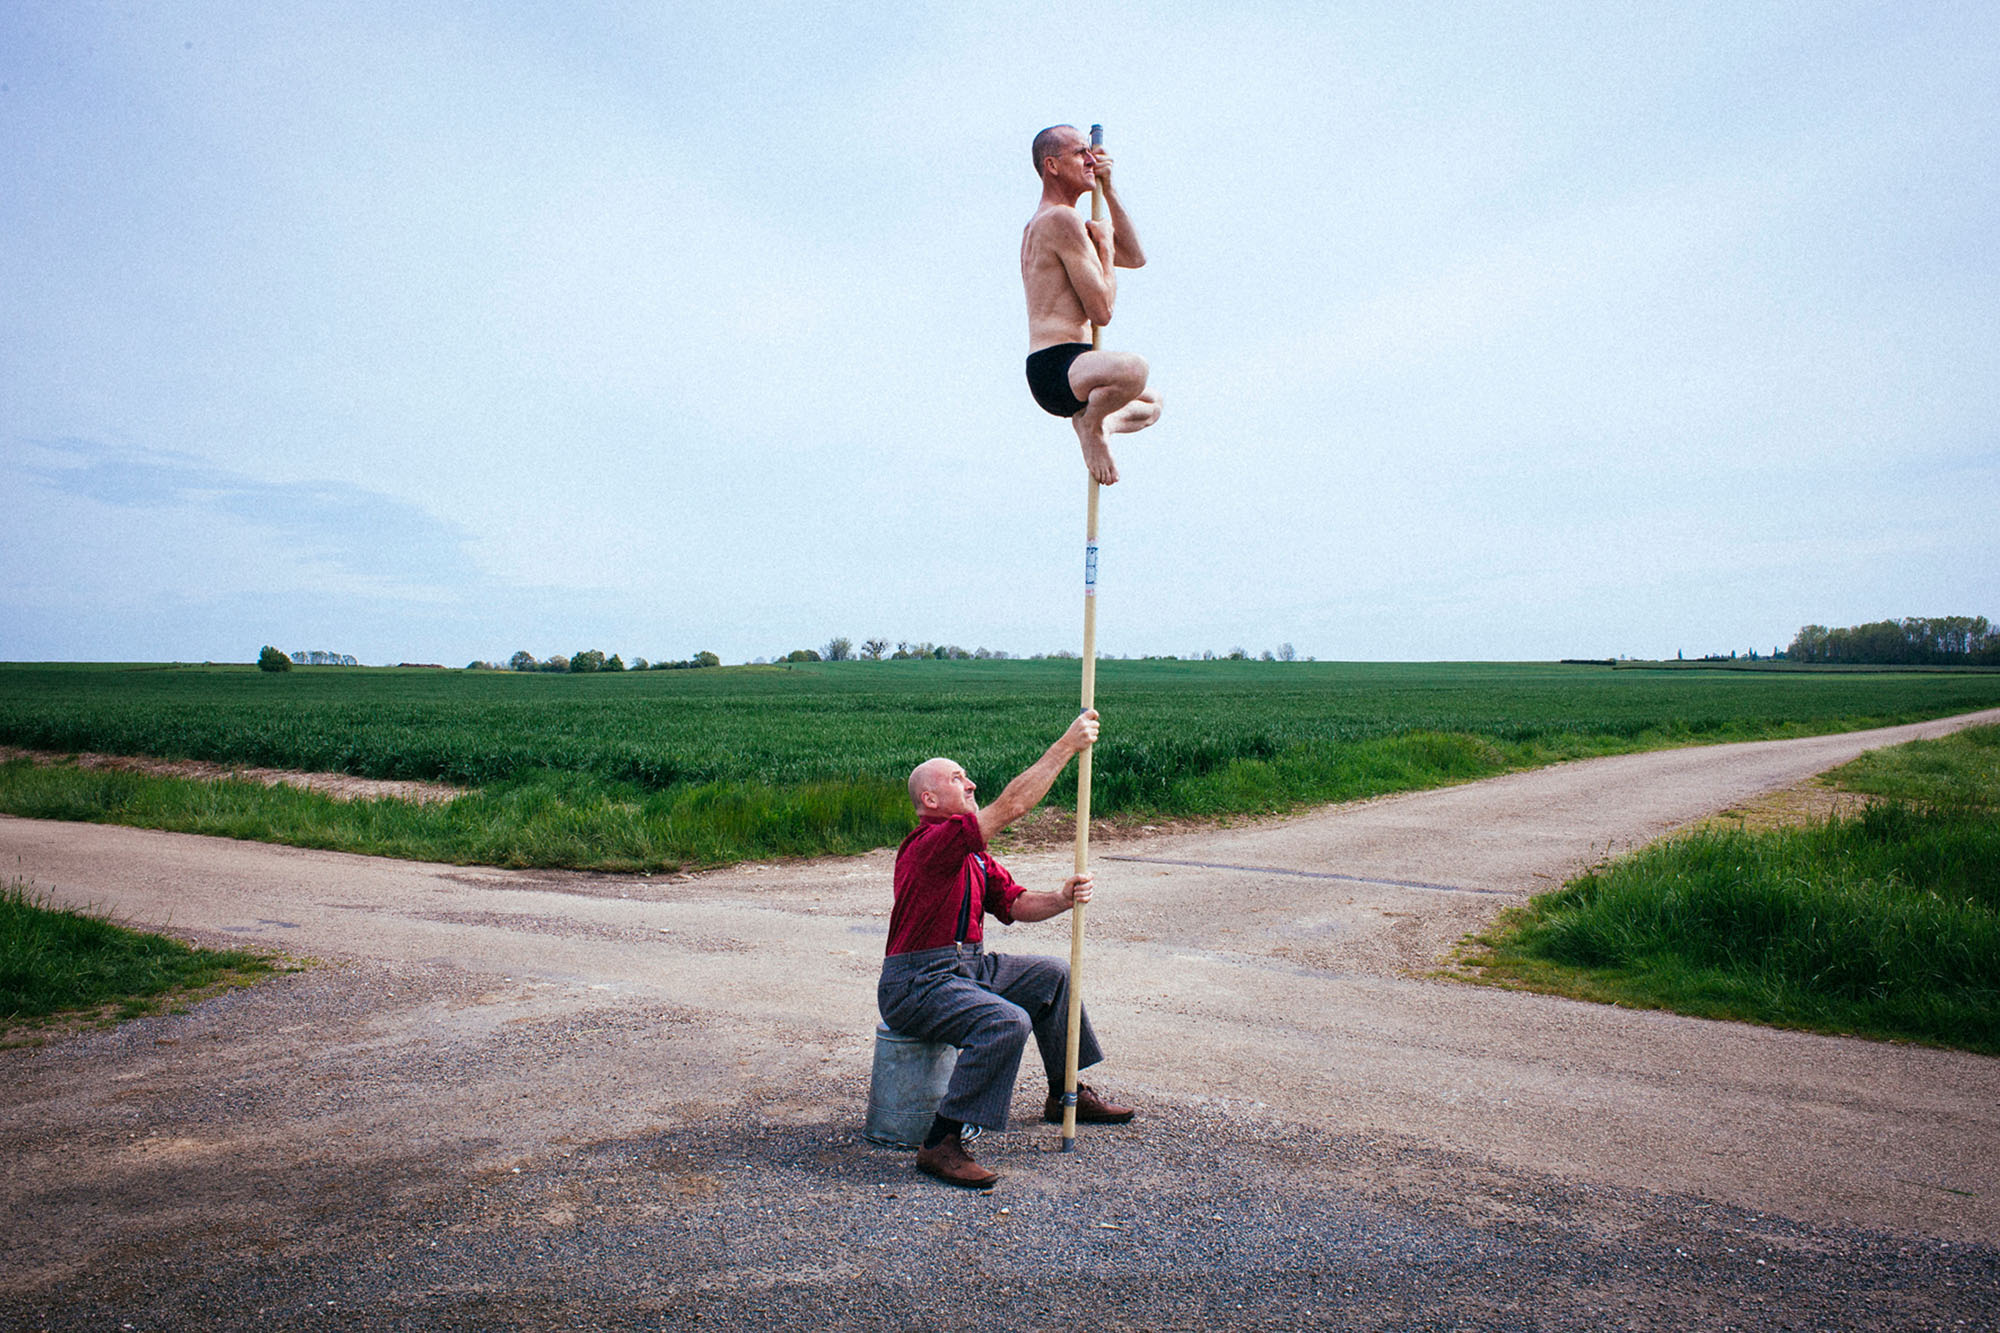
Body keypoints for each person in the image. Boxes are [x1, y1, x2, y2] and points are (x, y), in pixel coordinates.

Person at [877, 708, 1136, 1188]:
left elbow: (1014, 904)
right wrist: (1066, 746)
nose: (971, 784)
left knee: (1053, 976)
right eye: (959, 779)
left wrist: (1060, 899)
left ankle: (1065, 1094)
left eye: (969, 777)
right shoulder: (930, 843)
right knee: (1004, 1020)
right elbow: (1013, 806)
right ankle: (941, 1141)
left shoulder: (972, 854)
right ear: (930, 798)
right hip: (917, 981)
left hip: (967, 967)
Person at [1021, 124, 1163, 487]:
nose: (1090, 159)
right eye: (1079, 153)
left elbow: (1135, 256)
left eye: (1090, 152)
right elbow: (1102, 312)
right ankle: (1092, 424)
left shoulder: (1058, 222)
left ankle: (1096, 423)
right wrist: (1104, 247)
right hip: (1057, 365)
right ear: (1052, 165)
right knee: (1134, 370)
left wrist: (1109, 189)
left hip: (1079, 366)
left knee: (1151, 404)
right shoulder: (1059, 219)